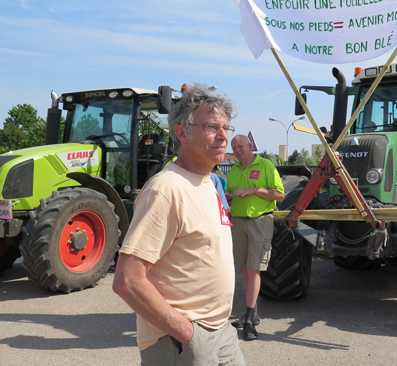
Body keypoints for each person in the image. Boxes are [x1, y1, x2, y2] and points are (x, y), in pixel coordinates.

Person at [112, 83, 245, 366]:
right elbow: (128, 280)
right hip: (180, 341)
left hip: (221, 331)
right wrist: (187, 334)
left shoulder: (211, 183)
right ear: (182, 133)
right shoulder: (166, 189)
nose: (223, 136)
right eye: (212, 127)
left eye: (226, 128)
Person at [225, 134, 284, 340]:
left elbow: (279, 195)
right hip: (238, 222)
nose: (238, 149)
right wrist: (228, 196)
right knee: (244, 269)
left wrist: (254, 190)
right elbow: (229, 194)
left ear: (250, 146)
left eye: (241, 145)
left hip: (260, 222)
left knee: (254, 269)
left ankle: (249, 319)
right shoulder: (233, 171)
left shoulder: (266, 165)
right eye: (234, 147)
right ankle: (252, 313)